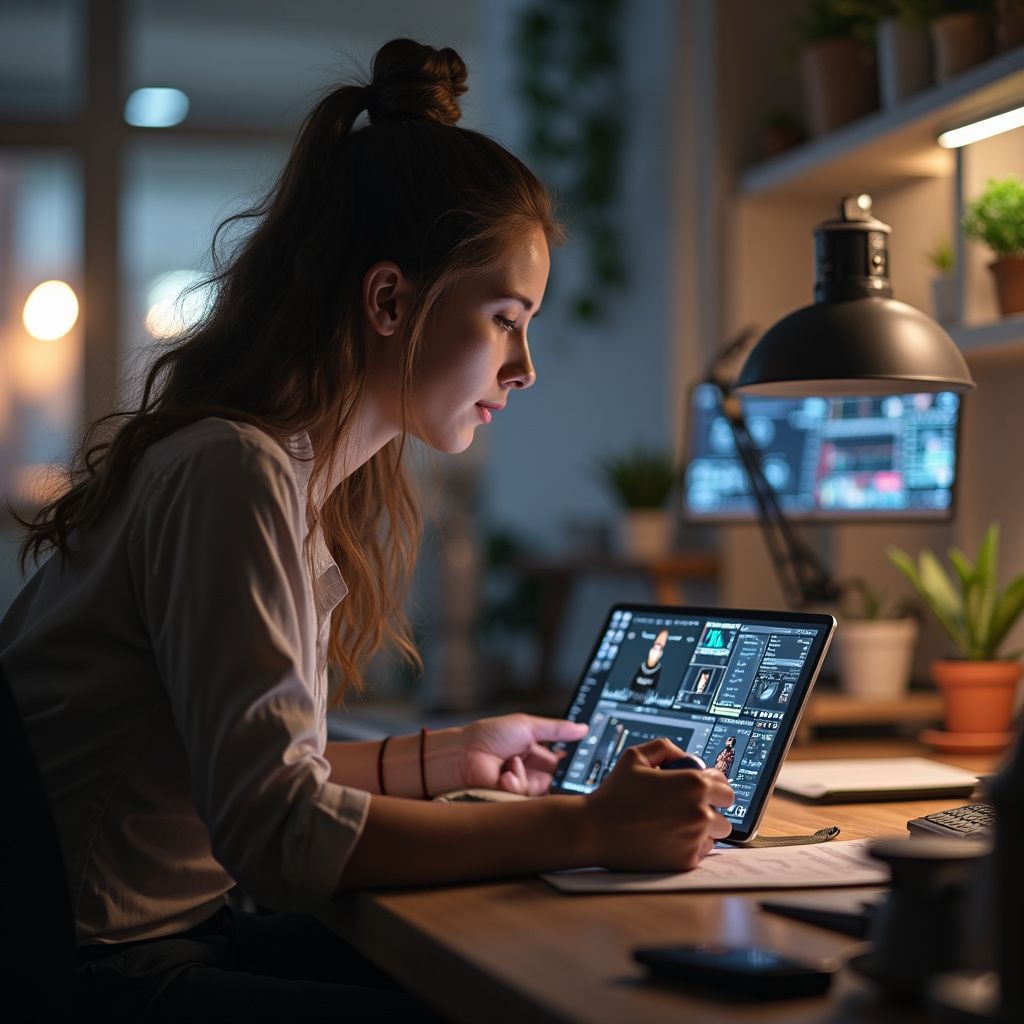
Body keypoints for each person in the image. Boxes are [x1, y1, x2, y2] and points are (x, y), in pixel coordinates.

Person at [0, 39, 734, 1022]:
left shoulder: (277, 477)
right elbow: (279, 836)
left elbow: (250, 777)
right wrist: (586, 827)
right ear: (390, 299)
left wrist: (450, 759)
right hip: (105, 972)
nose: (524, 367)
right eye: (507, 318)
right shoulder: (235, 470)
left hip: (157, 934)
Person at [628, 628, 670, 701]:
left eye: (658, 649)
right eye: (654, 648)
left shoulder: (660, 671)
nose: (655, 649)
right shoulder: (638, 663)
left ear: (661, 654)